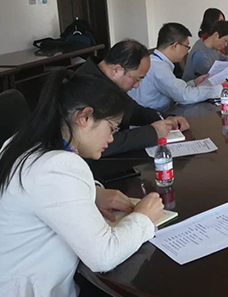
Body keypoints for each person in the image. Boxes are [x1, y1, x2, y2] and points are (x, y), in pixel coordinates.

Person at [0, 70, 163, 297]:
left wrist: (94, 194)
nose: (111, 138)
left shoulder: (20, 143)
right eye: (112, 128)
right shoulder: (58, 165)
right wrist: (143, 218)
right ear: (85, 117)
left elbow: (41, 191)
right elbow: (103, 256)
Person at [75, 39, 190, 157]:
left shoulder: (105, 79)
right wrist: (152, 132)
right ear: (117, 70)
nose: (136, 86)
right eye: (136, 79)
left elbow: (132, 110)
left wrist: (166, 119)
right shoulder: (84, 88)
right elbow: (97, 142)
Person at [128, 22, 228, 111]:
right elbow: (184, 96)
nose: (187, 51)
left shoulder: (157, 61)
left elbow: (173, 89)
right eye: (186, 47)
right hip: (149, 120)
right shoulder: (158, 67)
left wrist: (194, 83)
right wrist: (220, 89)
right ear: (175, 45)